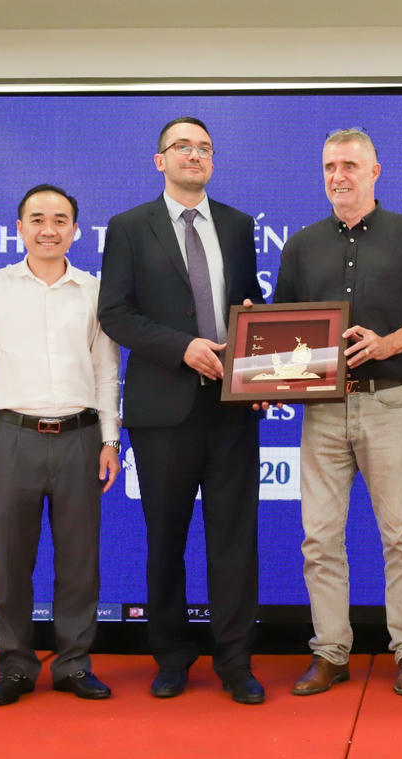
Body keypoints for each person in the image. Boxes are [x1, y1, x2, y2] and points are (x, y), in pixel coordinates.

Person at [276, 128, 402, 697]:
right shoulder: (302, 245)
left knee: (401, 534)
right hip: (323, 411)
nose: (339, 176)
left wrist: (387, 344)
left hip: (389, 402)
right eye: (330, 166)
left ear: (375, 172)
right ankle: (330, 652)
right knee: (319, 538)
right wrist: (260, 352)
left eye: (350, 165)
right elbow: (281, 331)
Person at [98, 117, 266, 704]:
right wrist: (182, 347)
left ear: (212, 162)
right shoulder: (129, 227)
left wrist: (260, 353)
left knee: (234, 540)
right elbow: (115, 313)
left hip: (232, 407)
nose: (194, 155)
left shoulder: (238, 225)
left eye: (204, 148)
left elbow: (250, 306)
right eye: (182, 147)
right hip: (163, 409)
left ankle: (236, 661)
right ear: (160, 160)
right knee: (165, 539)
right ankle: (170, 655)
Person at [0, 184, 122, 705]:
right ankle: (15, 667)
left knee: (80, 563)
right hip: (11, 438)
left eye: (59, 220)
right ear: (19, 228)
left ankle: (74, 664)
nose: (48, 229)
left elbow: (106, 371)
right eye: (36, 219)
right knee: (10, 562)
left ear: (75, 229)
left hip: (80, 438)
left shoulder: (95, 290)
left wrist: (110, 438)